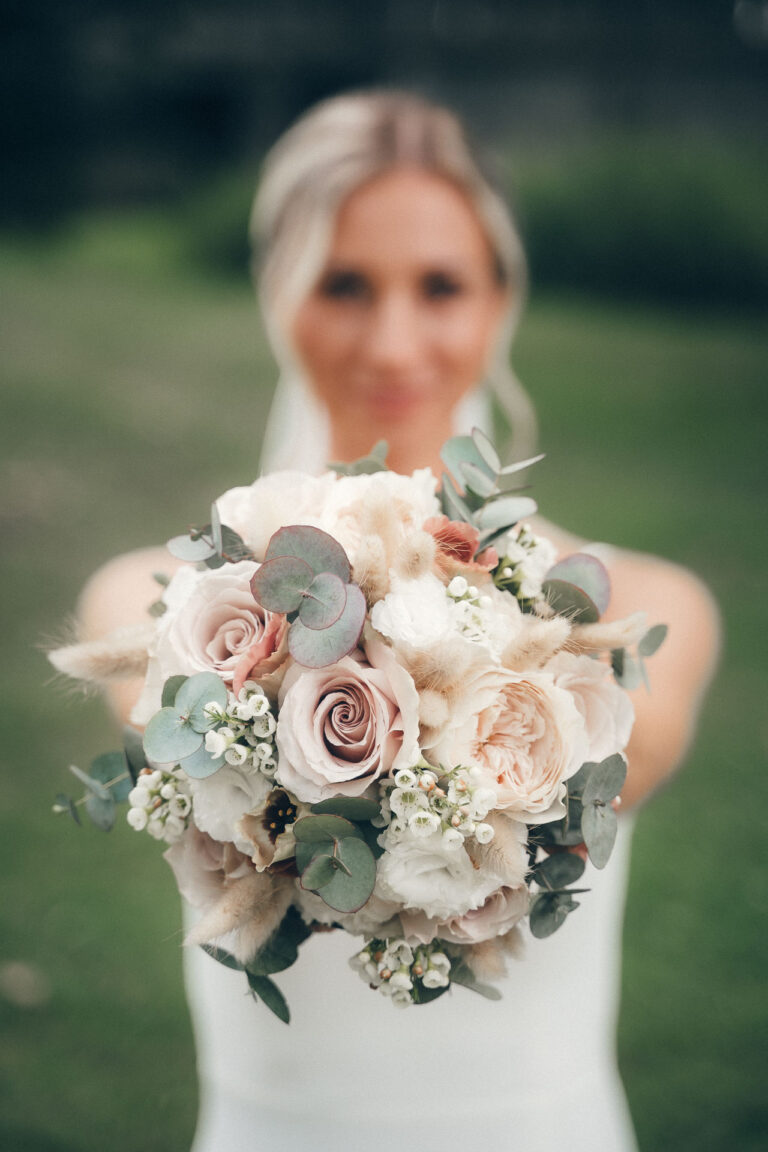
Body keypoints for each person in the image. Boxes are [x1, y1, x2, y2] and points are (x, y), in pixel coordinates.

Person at [78, 91, 719, 1151]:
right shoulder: (149, 605)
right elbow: (160, 723)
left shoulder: (651, 609)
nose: (393, 341)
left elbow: (622, 770)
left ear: (500, 299)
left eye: (441, 286)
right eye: (344, 285)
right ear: (277, 291)